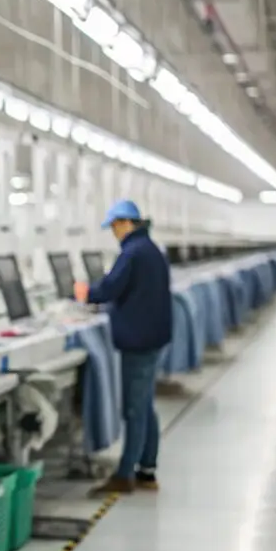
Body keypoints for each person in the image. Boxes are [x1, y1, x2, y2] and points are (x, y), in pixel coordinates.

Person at [74, 199, 172, 494]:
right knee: (144, 405)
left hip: (139, 341)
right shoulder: (150, 249)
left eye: (114, 226)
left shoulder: (133, 252)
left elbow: (110, 288)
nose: (114, 233)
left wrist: (86, 293)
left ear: (125, 223)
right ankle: (146, 469)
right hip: (151, 337)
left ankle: (125, 473)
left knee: (134, 408)